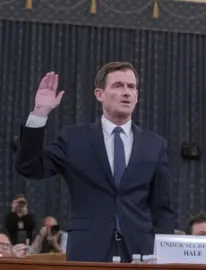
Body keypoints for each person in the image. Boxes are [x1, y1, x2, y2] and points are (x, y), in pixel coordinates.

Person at [15, 62, 175, 262]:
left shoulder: (155, 144)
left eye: (131, 87)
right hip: (88, 251)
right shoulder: (74, 139)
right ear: (100, 94)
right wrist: (40, 113)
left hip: (140, 252)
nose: (126, 92)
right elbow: (29, 167)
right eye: (118, 86)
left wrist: (166, 255)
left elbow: (162, 208)